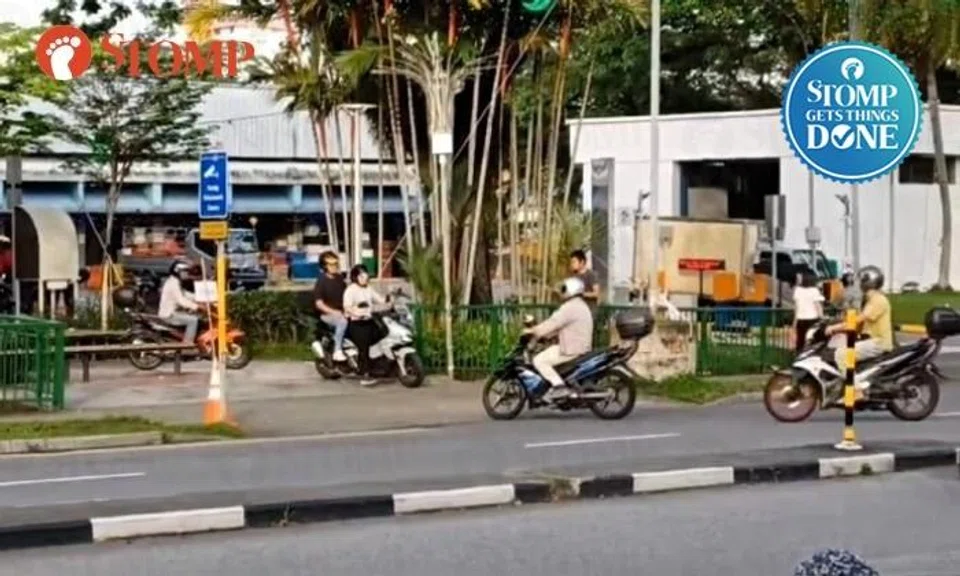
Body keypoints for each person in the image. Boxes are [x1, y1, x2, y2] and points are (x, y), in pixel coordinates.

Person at [824, 266, 893, 396]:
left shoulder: (877, 300)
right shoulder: (872, 299)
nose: (858, 284)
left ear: (866, 283)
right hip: (872, 339)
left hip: (878, 342)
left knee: (841, 355)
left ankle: (857, 391)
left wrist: (835, 328)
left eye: (860, 281)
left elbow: (859, 319)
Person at [524, 277, 593, 400]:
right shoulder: (580, 305)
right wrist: (546, 335)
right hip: (579, 346)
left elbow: (553, 323)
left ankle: (559, 386)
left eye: (564, 289)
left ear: (571, 290)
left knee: (539, 360)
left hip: (571, 348)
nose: (562, 292)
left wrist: (534, 331)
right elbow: (560, 326)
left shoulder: (569, 308)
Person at [342, 264, 386, 386]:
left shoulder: (368, 289)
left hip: (369, 321)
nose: (364, 277)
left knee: (383, 334)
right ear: (355, 277)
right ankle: (365, 374)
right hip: (356, 323)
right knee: (364, 345)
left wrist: (390, 299)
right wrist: (357, 313)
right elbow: (347, 307)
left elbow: (380, 299)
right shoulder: (350, 290)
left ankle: (379, 364)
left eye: (365, 274)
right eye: (361, 275)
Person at [312, 251, 348, 362]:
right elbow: (319, 304)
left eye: (336, 264)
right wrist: (333, 312)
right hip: (327, 314)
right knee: (342, 321)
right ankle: (337, 351)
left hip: (342, 312)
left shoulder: (340, 279)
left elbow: (347, 294)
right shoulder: (321, 281)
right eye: (331, 264)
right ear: (324, 266)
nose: (334, 267)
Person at [158, 260, 201, 344]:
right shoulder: (173, 283)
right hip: (169, 314)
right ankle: (187, 345)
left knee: (194, 315)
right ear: (178, 271)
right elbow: (181, 300)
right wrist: (197, 306)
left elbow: (185, 294)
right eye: (185, 271)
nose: (186, 274)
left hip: (172, 312)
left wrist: (200, 298)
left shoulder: (174, 281)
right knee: (193, 320)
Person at [792, 271, 824, 356]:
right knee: (812, 340)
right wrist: (822, 318)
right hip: (813, 319)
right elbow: (818, 306)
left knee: (800, 340)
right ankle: (810, 357)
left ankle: (798, 357)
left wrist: (794, 322)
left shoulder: (797, 290)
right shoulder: (814, 290)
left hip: (800, 319)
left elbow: (796, 307)